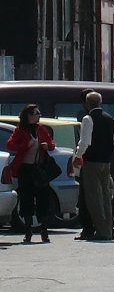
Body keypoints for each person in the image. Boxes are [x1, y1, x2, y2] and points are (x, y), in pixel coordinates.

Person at [5, 104, 56, 243]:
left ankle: (44, 232)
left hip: (40, 169)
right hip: (25, 170)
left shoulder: (41, 129)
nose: (38, 115)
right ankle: (28, 232)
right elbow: (10, 145)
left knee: (43, 199)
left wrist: (48, 145)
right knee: (26, 200)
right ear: (28, 115)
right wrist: (23, 146)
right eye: (35, 113)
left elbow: (51, 144)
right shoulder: (20, 130)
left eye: (39, 112)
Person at [74, 91, 114, 242]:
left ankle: (101, 231)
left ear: (87, 104)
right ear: (100, 103)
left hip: (91, 161)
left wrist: (78, 156)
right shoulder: (110, 119)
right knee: (106, 196)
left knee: (94, 198)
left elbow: (85, 142)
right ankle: (107, 228)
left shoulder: (88, 119)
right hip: (106, 162)